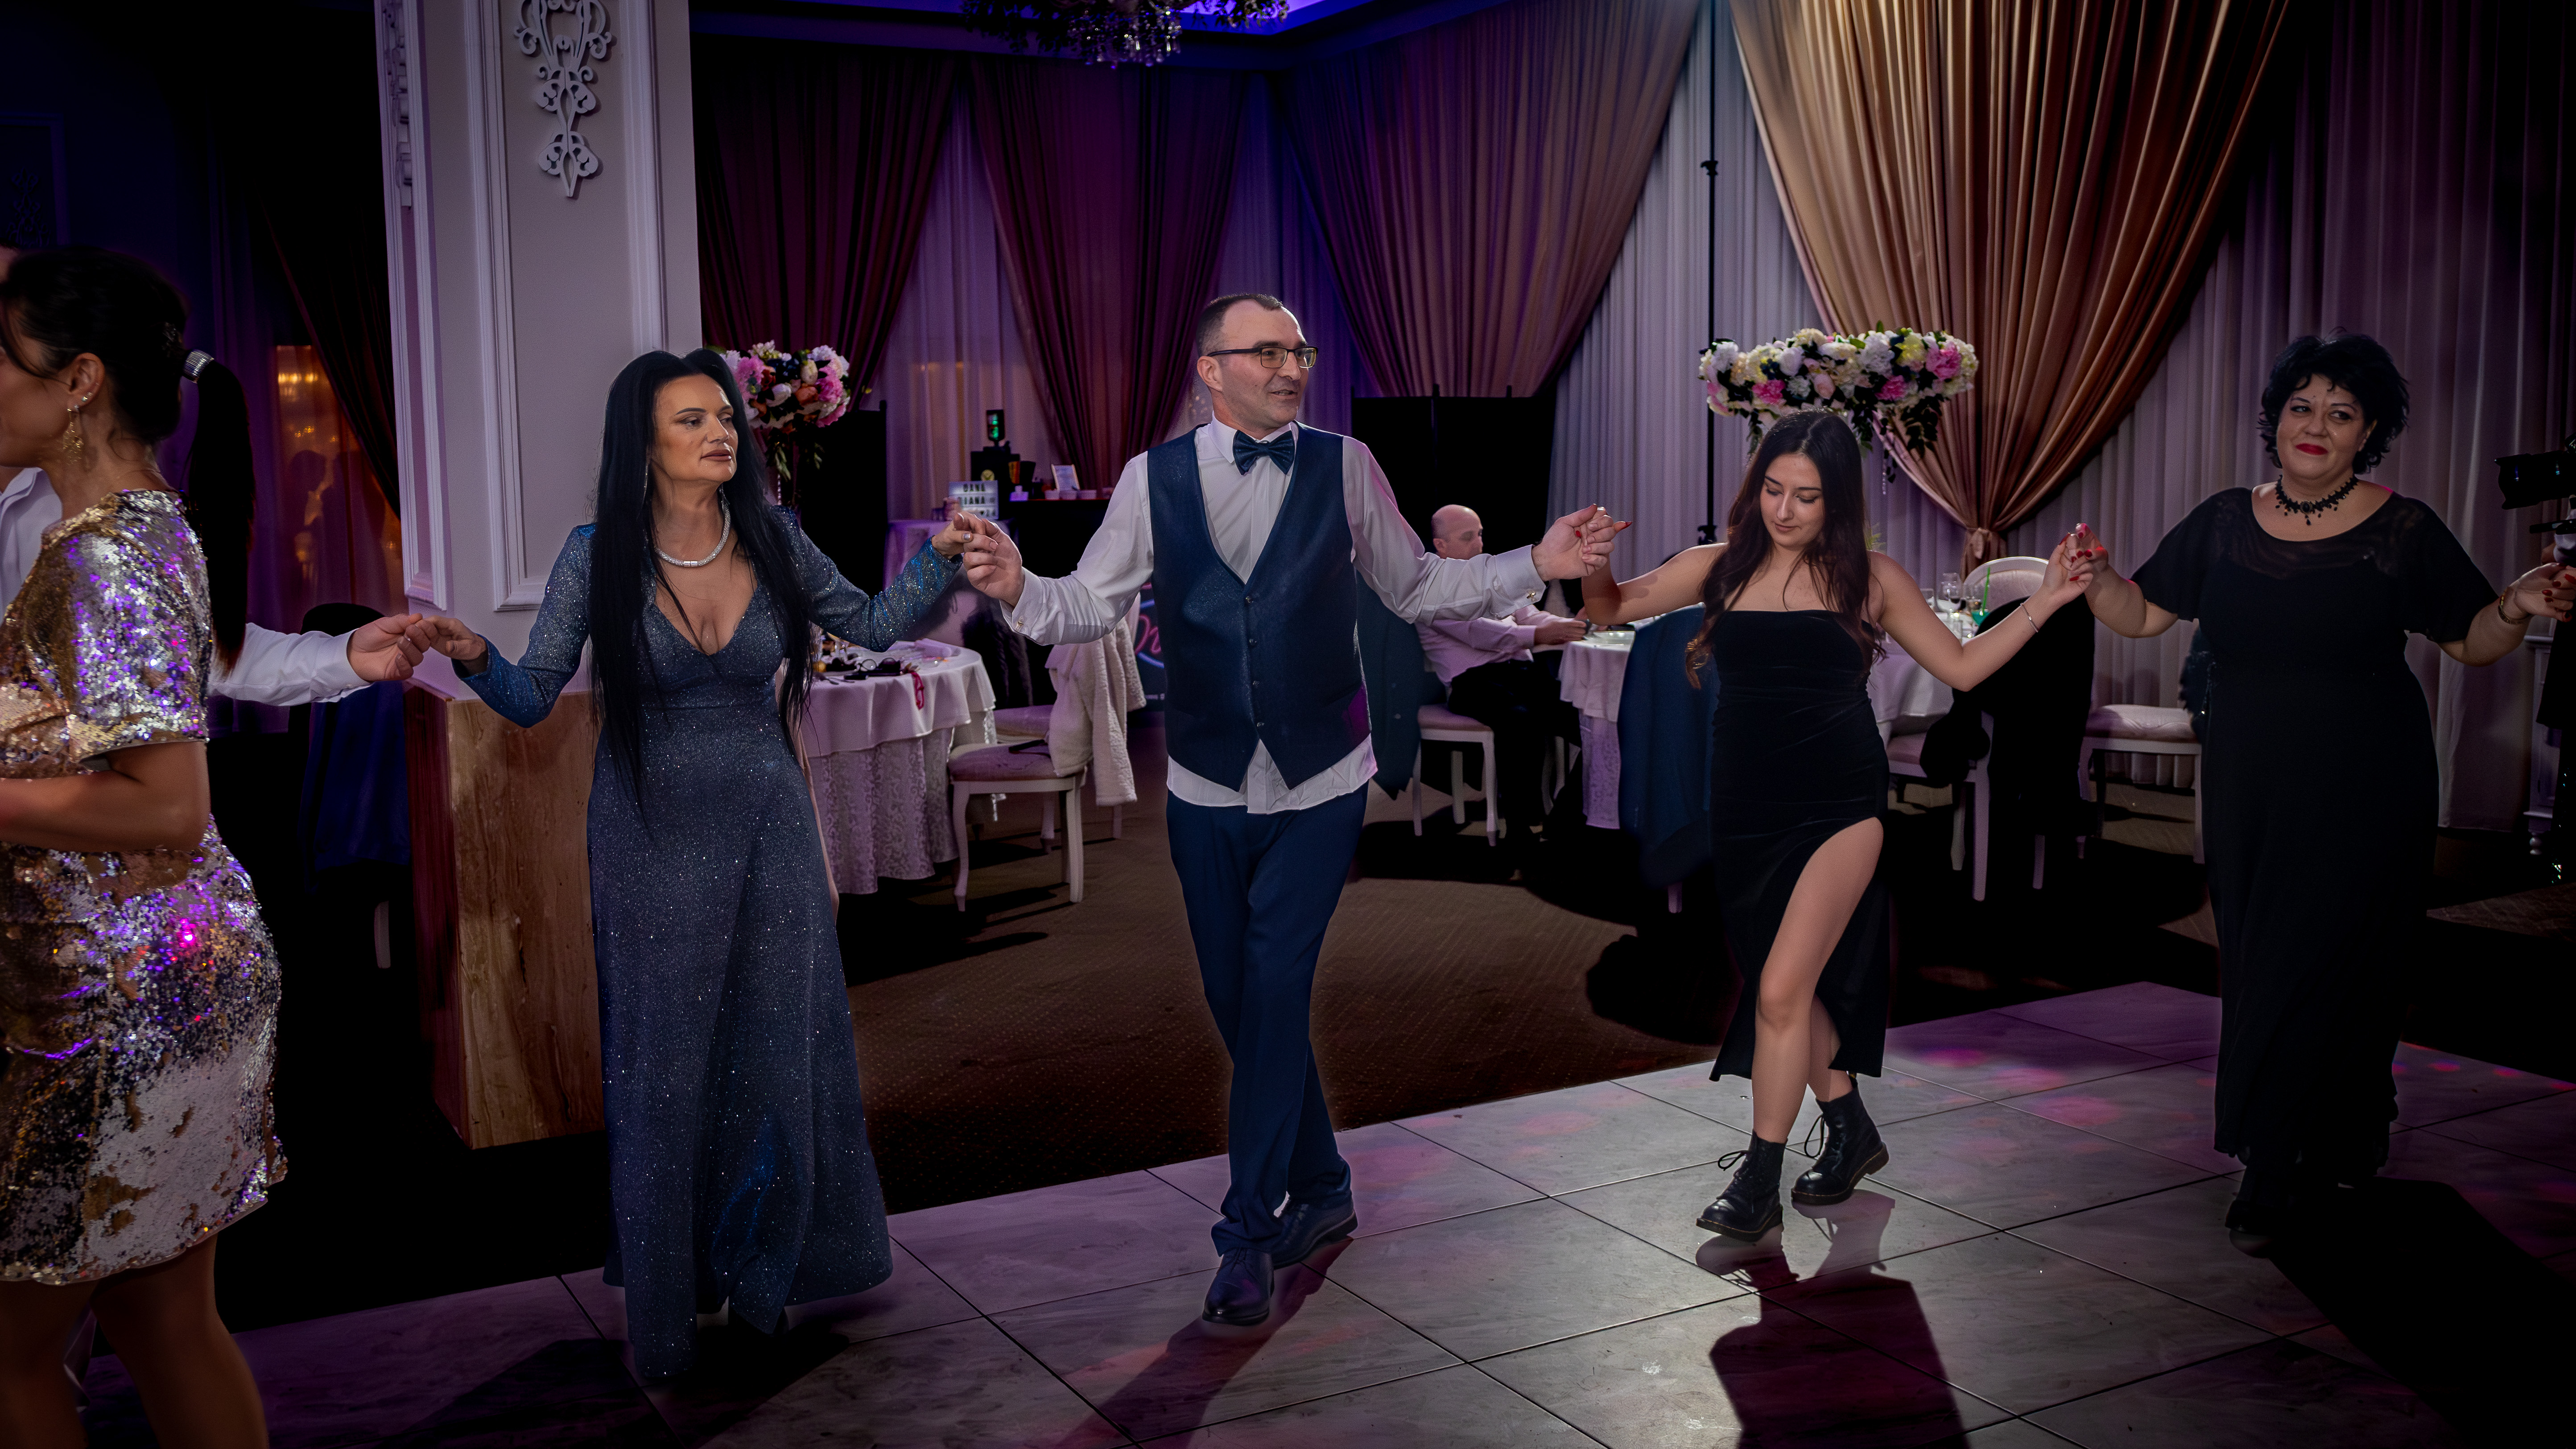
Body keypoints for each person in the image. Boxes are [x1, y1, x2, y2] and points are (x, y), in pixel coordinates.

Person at [958, 292, 1617, 1325]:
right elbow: (1089, 603)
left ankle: (1245, 1235)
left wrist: (1535, 564)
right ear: (1209, 370)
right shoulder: (1150, 478)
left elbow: (1416, 586)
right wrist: (1017, 584)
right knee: (1239, 1003)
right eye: (1264, 351)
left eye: (1298, 350)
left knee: (1272, 991)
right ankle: (1323, 1185)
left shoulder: (1347, 466)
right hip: (1205, 784)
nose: (1288, 366)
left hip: (1321, 779)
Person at [401, 348, 973, 1378]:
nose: (720, 433)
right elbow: (531, 697)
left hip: (770, 828)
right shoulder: (596, 556)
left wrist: (941, 556)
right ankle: (672, 1299)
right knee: (664, 1069)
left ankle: (762, 1280)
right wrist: (471, 652)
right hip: (648, 837)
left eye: (724, 417)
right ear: (643, 444)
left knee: (777, 1057)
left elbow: (875, 624)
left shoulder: (776, 536)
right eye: (691, 420)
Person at [2071, 334, 2576, 1253]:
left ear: (2367, 433)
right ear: (2274, 420)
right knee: (2263, 955)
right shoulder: (2222, 521)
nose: (2316, 425)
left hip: (2366, 777)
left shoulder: (2402, 528)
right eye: (2301, 406)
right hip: (2250, 781)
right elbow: (2141, 612)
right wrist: (2097, 578)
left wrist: (2513, 605)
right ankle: (2333, 1129)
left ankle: (2274, 1161)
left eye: (2340, 413)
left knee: (2341, 956)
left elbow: (2469, 639)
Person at [1581, 411, 2092, 1242]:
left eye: (1807, 496)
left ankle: (1759, 1176)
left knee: (1779, 991)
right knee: (1789, 988)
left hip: (1838, 807)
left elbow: (1962, 667)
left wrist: (2045, 601)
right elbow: (1607, 608)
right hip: (1744, 810)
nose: (1784, 510)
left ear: (1838, 502)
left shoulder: (1871, 578)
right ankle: (1850, 1125)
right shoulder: (1718, 567)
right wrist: (1596, 564)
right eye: (1773, 489)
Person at [0, 247, 279, 1449]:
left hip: (112, 993)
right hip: (173, 961)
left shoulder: (101, 554)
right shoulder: (144, 525)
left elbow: (166, 808)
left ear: (78, 382)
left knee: (11, 1352)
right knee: (161, 1316)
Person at [0, 245, 422, 704]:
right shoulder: (98, 514)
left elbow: (185, 660)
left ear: (79, 378)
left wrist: (339, 657)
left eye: (5, 353)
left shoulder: (116, 534)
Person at [1417, 503, 1586, 837]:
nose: (1479, 543)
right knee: (1520, 720)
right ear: (1441, 545)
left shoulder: (1491, 573)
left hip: (1519, 674)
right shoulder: (1429, 588)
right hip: (1472, 683)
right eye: (1468, 537)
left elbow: (1530, 615)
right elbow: (1479, 633)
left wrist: (1571, 626)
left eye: (1480, 534)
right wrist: (1543, 636)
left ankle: (1564, 820)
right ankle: (1520, 829)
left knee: (1589, 719)